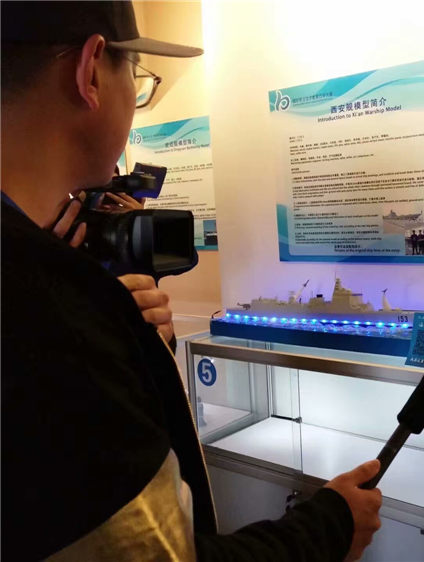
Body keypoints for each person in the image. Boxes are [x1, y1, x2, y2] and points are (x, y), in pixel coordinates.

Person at [1, 2, 381, 561]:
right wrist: (328, 526)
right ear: (91, 71)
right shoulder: (48, 312)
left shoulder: (48, 286)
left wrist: (126, 339)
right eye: (138, 77)